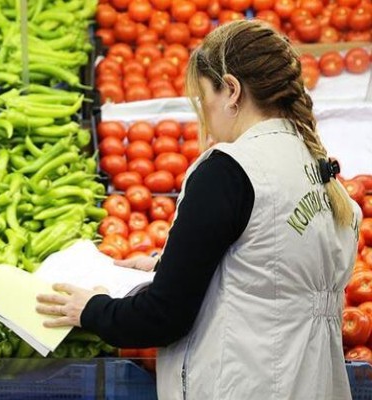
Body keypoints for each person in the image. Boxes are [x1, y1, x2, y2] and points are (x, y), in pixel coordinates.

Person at [37, 20, 361, 400]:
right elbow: (269, 267)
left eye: (203, 96)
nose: (203, 112)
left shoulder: (230, 170)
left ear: (232, 90)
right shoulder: (315, 166)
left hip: (245, 386)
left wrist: (91, 309)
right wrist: (169, 263)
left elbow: (164, 317)